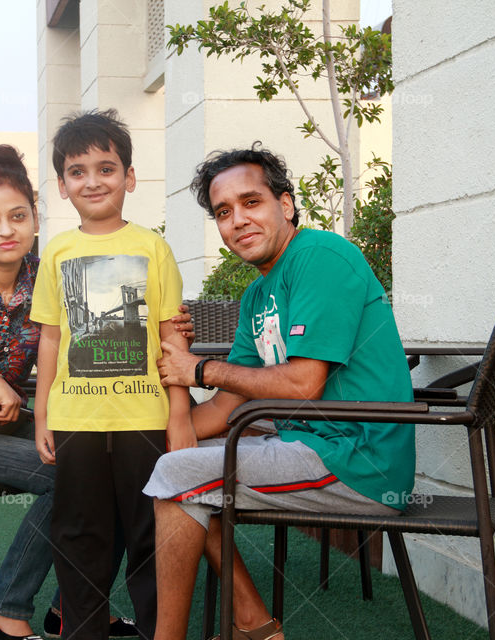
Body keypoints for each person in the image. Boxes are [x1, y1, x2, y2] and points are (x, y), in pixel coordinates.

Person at [0, 145, 194, 640]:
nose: (6, 230)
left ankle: (74, 609)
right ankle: (4, 605)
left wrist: (168, 322)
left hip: (5, 424)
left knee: (97, 464)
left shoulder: (48, 270)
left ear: (35, 218)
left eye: (18, 216)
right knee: (67, 473)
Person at [146, 145, 415, 640]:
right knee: (177, 460)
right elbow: (229, 408)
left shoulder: (321, 256)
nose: (238, 221)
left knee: (178, 474)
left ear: (285, 205)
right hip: (307, 445)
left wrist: (199, 370)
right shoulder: (256, 295)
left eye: (251, 202)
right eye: (224, 213)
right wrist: (153, 431)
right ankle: (254, 624)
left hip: (356, 459)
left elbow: (301, 383)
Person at [31, 109, 196, 640]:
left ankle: (157, 631)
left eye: (106, 168)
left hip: (143, 417)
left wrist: (179, 412)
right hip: (76, 417)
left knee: (152, 535)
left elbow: (173, 337)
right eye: (77, 171)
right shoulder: (56, 252)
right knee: (79, 535)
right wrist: (42, 412)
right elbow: (52, 338)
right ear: (61, 185)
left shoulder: (153, 247)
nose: (93, 181)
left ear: (129, 177)